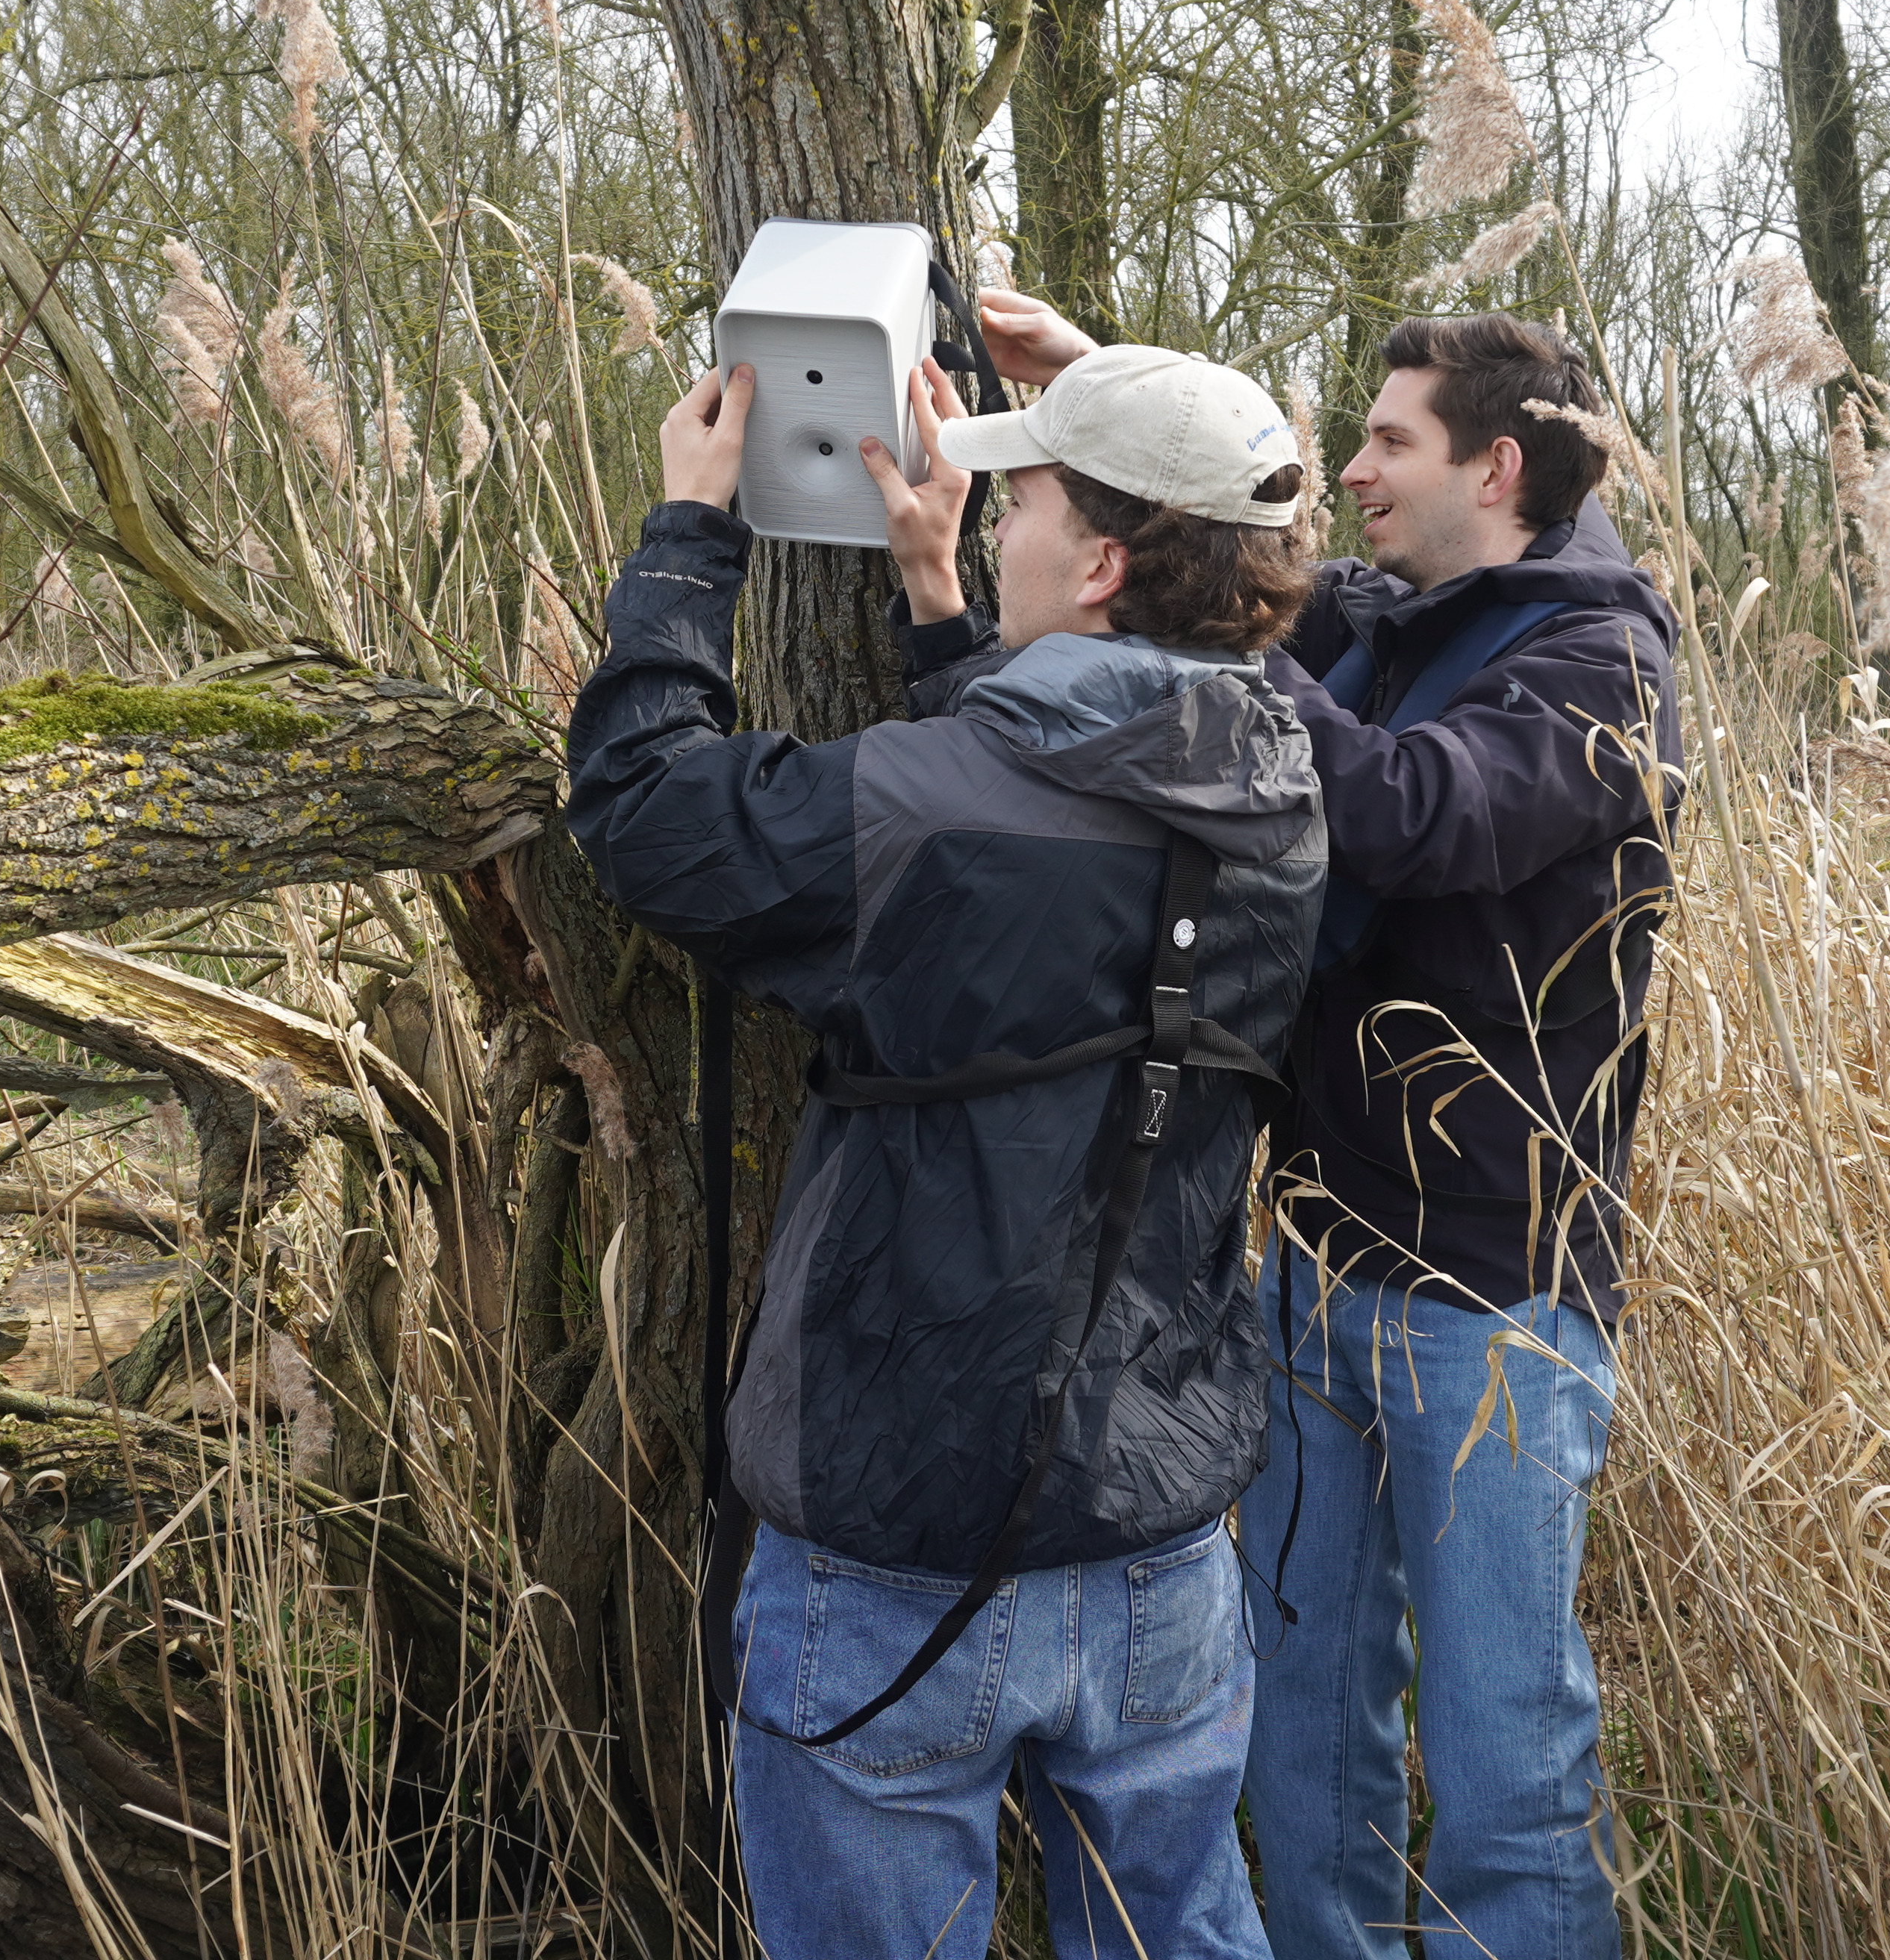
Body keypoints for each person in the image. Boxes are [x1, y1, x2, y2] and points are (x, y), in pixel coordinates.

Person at [565, 339, 1332, 1960]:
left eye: (1026, 501)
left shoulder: (935, 804)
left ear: (1105, 560)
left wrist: (689, 531)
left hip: (892, 1551)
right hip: (1158, 1547)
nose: (996, 520)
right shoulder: (1284, 790)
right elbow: (1048, 837)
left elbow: (643, 808)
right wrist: (940, 609)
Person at [970, 293, 1677, 1960]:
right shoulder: (1402, 613)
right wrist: (1109, 400)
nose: (1349, 467)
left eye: (1386, 441)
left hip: (1495, 1298)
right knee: (1299, 1716)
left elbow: (1416, 815)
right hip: (1312, 1258)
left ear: (1495, 466)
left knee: (1509, 1746)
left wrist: (1227, 639)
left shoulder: (1601, 658)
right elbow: (1271, 582)